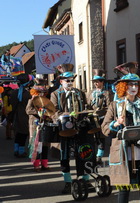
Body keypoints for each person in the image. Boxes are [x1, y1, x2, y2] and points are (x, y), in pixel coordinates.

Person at [101, 62, 140, 203]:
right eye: (130, 85)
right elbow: (104, 128)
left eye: (136, 85)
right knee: (124, 189)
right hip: (124, 152)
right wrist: (116, 123)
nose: (133, 88)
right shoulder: (115, 105)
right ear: (123, 87)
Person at [50, 64, 88, 194]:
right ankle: (67, 182)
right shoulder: (55, 94)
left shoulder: (79, 93)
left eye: (72, 80)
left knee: (83, 153)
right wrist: (63, 115)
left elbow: (85, 106)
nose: (70, 82)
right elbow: (53, 111)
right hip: (64, 128)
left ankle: (84, 180)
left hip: (79, 127)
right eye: (67, 80)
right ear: (61, 81)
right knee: (64, 156)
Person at [86, 69, 112, 164]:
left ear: (102, 82)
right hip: (92, 118)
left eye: (97, 82)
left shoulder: (107, 93)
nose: (96, 83)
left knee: (101, 138)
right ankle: (92, 155)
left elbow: (109, 107)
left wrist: (101, 112)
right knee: (92, 138)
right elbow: (87, 105)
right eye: (94, 82)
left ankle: (99, 156)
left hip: (102, 118)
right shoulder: (90, 93)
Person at [26, 77, 50, 172]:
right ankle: (36, 165)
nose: (42, 93)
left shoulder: (46, 100)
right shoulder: (31, 100)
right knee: (36, 145)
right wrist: (38, 112)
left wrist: (47, 113)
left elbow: (51, 110)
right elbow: (28, 110)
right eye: (39, 91)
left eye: (43, 92)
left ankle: (44, 164)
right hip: (35, 125)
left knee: (45, 144)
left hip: (45, 124)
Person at [10, 73, 34, 157]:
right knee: (23, 134)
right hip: (25, 116)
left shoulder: (13, 93)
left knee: (18, 134)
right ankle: (21, 151)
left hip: (16, 116)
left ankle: (16, 149)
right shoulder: (28, 94)